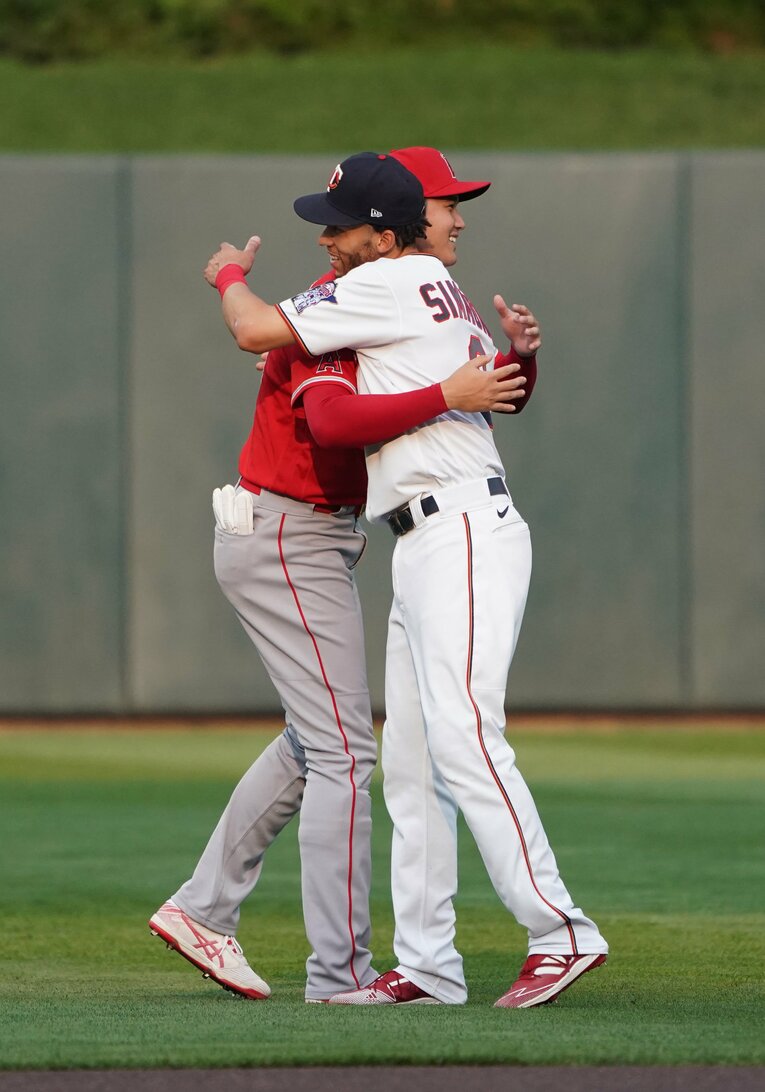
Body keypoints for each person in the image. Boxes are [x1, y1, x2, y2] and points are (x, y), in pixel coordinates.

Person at [202, 149, 608, 1009]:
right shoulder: (434, 288)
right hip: (428, 533)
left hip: (458, 524)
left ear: (381, 235)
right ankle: (425, 965)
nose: (329, 240)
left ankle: (560, 929)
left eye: (340, 227)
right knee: (414, 763)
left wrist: (229, 273)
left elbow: (255, 333)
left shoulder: (386, 280)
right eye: (448, 205)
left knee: (461, 737)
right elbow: (492, 392)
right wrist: (517, 363)